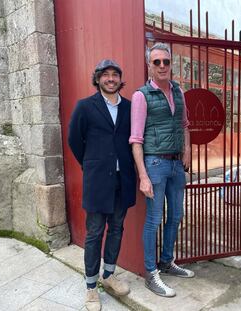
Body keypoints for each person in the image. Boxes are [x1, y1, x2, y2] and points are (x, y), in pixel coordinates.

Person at [68, 59, 136, 310]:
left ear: (120, 79)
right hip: (97, 182)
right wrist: (92, 164)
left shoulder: (130, 107)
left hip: (123, 180)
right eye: (105, 75)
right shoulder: (85, 107)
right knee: (95, 233)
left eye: (114, 74)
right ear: (97, 79)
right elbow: (75, 140)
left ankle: (108, 276)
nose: (110, 78)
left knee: (117, 229)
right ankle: (91, 287)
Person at [130, 42, 194, 298]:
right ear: (149, 66)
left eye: (166, 61)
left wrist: (187, 150)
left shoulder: (179, 92)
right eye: (156, 62)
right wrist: (143, 175)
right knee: (154, 219)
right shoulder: (141, 96)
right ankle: (150, 272)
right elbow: (136, 139)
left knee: (176, 215)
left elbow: (185, 124)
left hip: (177, 164)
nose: (162, 66)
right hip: (155, 164)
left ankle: (167, 261)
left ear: (171, 64)